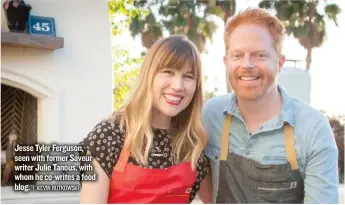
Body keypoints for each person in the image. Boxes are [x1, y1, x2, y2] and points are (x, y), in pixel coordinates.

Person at [201, 8, 339, 203]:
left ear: (280, 63)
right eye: (237, 55)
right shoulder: (210, 115)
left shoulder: (313, 129)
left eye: (260, 55)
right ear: (226, 62)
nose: (246, 64)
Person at [79, 35, 210, 204]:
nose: (178, 86)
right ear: (149, 75)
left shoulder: (193, 143)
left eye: (188, 76)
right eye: (168, 72)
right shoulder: (109, 135)